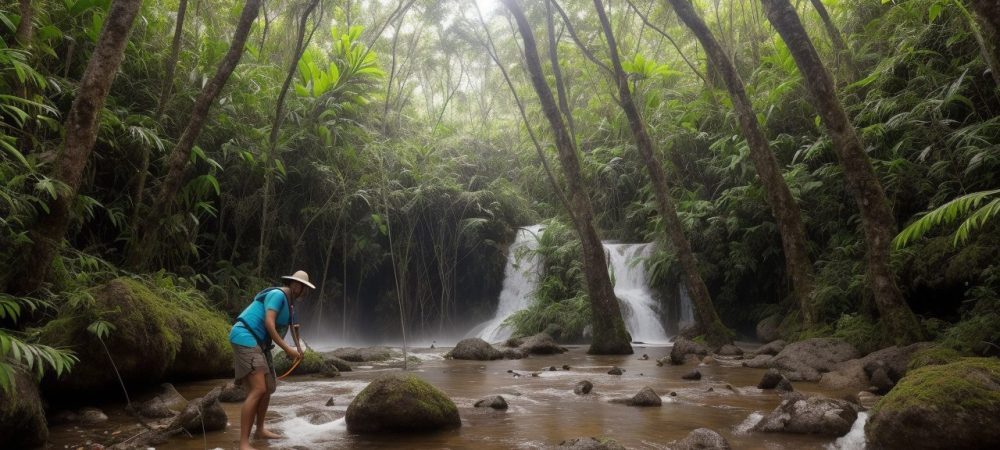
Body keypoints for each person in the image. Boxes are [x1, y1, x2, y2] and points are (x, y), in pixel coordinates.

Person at [229, 270, 314, 450]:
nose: (303, 291)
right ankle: (244, 443)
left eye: (305, 288)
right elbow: (269, 322)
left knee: (268, 388)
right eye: (301, 286)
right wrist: (287, 349)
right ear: (294, 285)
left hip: (261, 344)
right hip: (245, 336)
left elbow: (294, 328)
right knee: (258, 388)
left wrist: (298, 348)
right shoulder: (277, 295)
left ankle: (259, 430)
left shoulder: (291, 306)